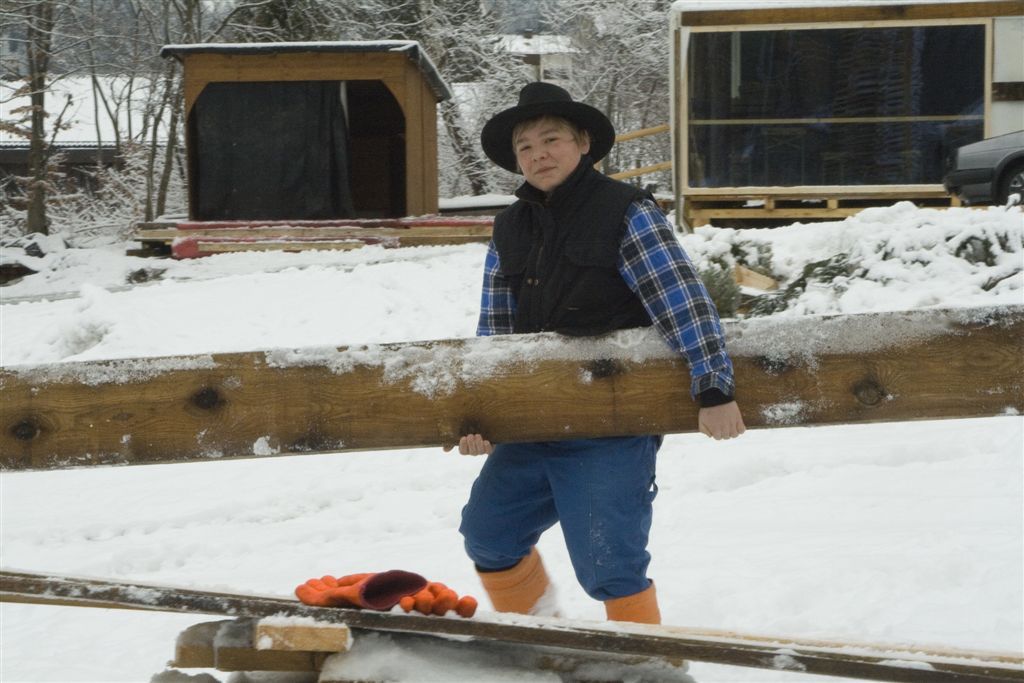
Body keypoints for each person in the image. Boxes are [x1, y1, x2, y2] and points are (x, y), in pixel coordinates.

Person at [447, 82, 745, 625]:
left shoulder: (625, 211)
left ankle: (642, 661)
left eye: (551, 139)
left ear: (583, 143)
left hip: (609, 423)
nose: (538, 154)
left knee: (609, 564)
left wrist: (714, 387)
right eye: (525, 146)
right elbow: (495, 333)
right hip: (531, 423)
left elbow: (682, 302)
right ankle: (540, 638)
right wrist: (484, 413)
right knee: (488, 535)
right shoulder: (510, 227)